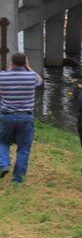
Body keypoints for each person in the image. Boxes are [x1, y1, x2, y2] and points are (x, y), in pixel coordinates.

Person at [0, 52, 42, 183]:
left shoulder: (2, 76)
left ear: (11, 62)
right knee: (23, 148)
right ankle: (17, 179)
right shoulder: (31, 77)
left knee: (2, 141)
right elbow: (40, 81)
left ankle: (4, 163)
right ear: (25, 63)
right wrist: (28, 67)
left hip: (6, 116)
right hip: (25, 117)